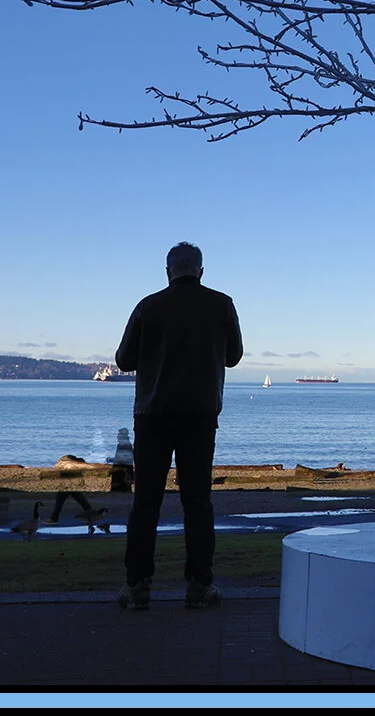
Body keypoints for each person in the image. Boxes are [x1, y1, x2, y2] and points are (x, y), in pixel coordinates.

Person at [115, 241, 243, 612]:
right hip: (200, 415)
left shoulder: (147, 306)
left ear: (168, 271)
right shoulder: (222, 304)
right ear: (201, 271)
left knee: (146, 502)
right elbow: (233, 357)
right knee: (198, 502)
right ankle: (198, 586)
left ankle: (138, 586)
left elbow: (124, 360)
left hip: (152, 415)